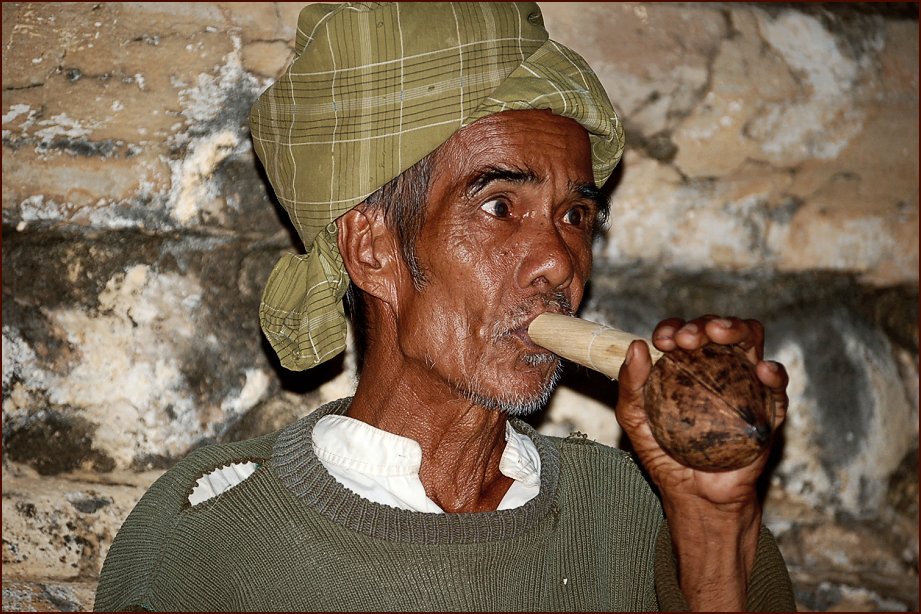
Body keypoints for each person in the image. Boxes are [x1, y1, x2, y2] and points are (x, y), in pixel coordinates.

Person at [95, 3, 795, 611]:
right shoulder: (213, 534)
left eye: (576, 216)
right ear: (372, 249)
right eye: (499, 206)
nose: (560, 261)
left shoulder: (639, 514)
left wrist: (708, 522)